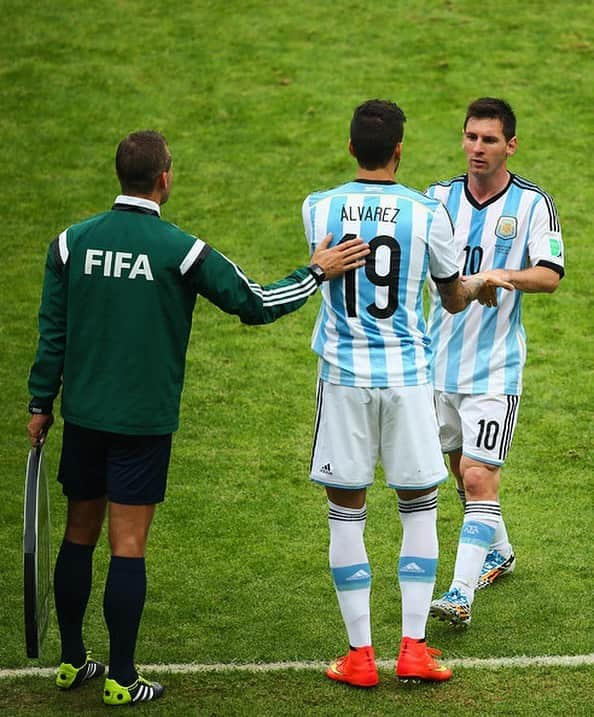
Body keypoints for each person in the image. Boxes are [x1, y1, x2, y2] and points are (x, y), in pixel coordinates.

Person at [26, 130, 369, 706]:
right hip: (142, 423)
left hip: (83, 418)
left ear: (120, 176)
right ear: (164, 179)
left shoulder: (69, 244)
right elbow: (254, 305)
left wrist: (41, 404)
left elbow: (51, 332)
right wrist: (315, 271)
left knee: (77, 535)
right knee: (127, 545)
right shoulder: (180, 249)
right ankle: (122, 678)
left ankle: (69, 661)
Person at [302, 99, 514, 688]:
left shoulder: (317, 207)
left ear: (351, 149)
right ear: (401, 150)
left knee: (347, 512)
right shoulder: (428, 213)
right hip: (408, 380)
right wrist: (480, 286)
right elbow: (449, 297)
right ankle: (414, 649)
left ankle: (359, 657)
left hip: (343, 379)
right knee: (418, 506)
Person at [426, 98, 564, 627]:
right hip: (438, 364)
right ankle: (499, 551)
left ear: (511, 145)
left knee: (481, 478)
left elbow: (550, 273)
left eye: (489, 139)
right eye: (470, 137)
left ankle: (460, 593)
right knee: (460, 471)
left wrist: (497, 276)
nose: (477, 148)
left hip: (495, 368)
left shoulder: (533, 205)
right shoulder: (437, 199)